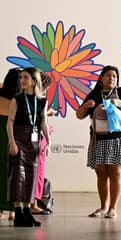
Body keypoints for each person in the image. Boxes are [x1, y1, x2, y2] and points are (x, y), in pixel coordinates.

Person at [76, 65, 121, 218]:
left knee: (115, 173)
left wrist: (118, 103)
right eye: (108, 75)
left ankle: (113, 208)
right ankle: (103, 207)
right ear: (101, 78)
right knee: (101, 173)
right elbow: (79, 115)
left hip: (118, 139)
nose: (111, 78)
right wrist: (87, 105)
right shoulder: (94, 94)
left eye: (114, 76)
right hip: (98, 139)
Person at [7, 67, 50, 227]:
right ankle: (19, 212)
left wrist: (48, 141)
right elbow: (9, 122)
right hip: (19, 139)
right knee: (18, 176)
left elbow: (44, 122)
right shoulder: (17, 99)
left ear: (34, 80)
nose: (22, 80)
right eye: (21, 77)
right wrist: (12, 142)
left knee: (31, 176)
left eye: (25, 77)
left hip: (34, 141)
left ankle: (27, 212)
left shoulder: (42, 101)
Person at [0, 68, 21, 221]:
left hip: (1, 137)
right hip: (14, 136)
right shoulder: (20, 99)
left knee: (1, 171)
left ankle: (1, 208)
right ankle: (13, 209)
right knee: (15, 173)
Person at [31, 72, 53, 215]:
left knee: (35, 171)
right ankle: (34, 203)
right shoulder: (36, 99)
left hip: (36, 136)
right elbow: (41, 119)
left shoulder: (36, 99)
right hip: (35, 137)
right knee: (37, 171)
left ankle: (33, 202)